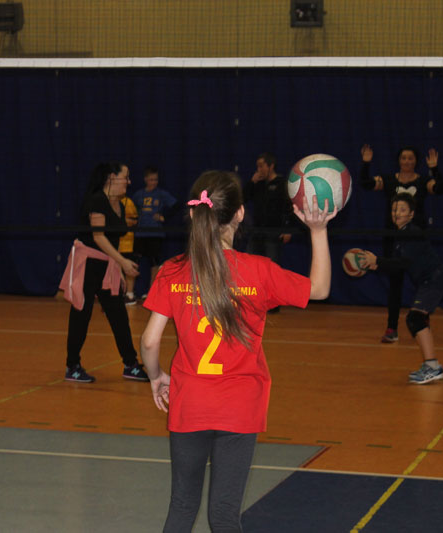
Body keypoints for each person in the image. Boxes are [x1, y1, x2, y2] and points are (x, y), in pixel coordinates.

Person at [140, 170, 336, 531]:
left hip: (190, 402)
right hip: (240, 406)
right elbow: (320, 288)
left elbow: (150, 341)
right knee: (224, 513)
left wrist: (155, 377)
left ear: (195, 213)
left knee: (181, 506)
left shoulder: (172, 271)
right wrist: (318, 231)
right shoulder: (259, 271)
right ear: (240, 214)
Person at [59, 161, 149, 383]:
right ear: (111, 177)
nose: (129, 181)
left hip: (107, 267)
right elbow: (98, 237)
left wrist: (118, 263)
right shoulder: (97, 200)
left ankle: (130, 364)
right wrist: (122, 262)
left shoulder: (120, 204)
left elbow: (111, 238)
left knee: (118, 315)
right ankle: (72, 366)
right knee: (81, 315)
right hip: (89, 265)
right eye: (125, 177)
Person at [360, 144, 443, 342]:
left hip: (416, 239)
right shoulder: (389, 180)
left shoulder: (423, 181)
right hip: (393, 237)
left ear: (415, 161)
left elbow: (441, 188)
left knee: (422, 279)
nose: (407, 161)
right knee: (395, 284)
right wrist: (366, 163)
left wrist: (434, 169)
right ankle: (392, 328)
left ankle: (421, 319)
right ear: (399, 161)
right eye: (403, 158)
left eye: (410, 158)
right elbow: (366, 183)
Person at [358, 193, 443, 385]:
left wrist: (378, 260)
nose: (396, 213)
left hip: (434, 279)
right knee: (418, 319)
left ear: (411, 214)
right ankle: (430, 365)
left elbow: (404, 262)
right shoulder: (400, 236)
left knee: (415, 318)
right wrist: (377, 265)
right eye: (394, 210)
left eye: (402, 210)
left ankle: (433, 367)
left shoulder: (412, 233)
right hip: (427, 281)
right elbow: (398, 265)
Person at [243, 153, 295, 313]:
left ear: (271, 166)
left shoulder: (281, 184)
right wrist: (251, 182)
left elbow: (290, 208)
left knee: (271, 270)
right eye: (257, 166)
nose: (259, 169)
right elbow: (243, 198)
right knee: (250, 268)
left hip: (273, 232)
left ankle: (273, 303)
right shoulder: (258, 184)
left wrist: (287, 230)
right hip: (257, 232)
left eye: (261, 165)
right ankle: (253, 302)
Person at [131, 166, 177, 298]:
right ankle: (130, 291)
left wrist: (164, 217)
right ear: (145, 179)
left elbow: (176, 205)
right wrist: (134, 220)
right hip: (140, 233)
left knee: (154, 262)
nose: (153, 182)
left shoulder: (161, 194)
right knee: (135, 261)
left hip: (155, 233)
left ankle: (152, 292)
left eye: (156, 180)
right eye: (151, 179)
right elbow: (131, 209)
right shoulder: (138, 195)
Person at [119, 194, 140, 305]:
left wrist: (122, 220)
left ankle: (130, 294)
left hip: (128, 243)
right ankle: (117, 293)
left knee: (129, 268)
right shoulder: (108, 201)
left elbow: (134, 220)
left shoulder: (128, 202)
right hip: (113, 244)